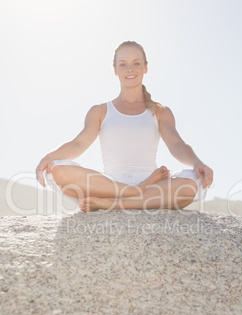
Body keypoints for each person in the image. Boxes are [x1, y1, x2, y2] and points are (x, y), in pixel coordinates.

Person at [36, 40, 213, 212]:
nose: (130, 69)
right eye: (123, 64)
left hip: (154, 186)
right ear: (115, 70)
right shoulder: (100, 111)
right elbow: (78, 144)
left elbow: (177, 144)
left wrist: (197, 163)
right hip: (108, 186)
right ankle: (133, 192)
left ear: (145, 68)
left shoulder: (160, 111)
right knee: (57, 171)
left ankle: (114, 204)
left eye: (136, 63)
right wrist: (49, 156)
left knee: (191, 183)